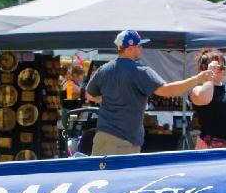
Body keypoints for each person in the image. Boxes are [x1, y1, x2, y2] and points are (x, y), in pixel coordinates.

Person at [84, 29, 218, 155]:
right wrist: (197, 78)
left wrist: (104, 99)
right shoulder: (139, 70)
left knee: (101, 179)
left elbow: (89, 94)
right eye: (139, 46)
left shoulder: (104, 69)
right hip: (125, 142)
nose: (141, 48)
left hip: (102, 137)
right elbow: (167, 91)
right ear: (130, 48)